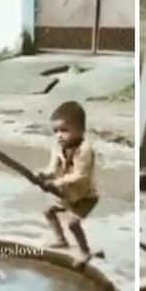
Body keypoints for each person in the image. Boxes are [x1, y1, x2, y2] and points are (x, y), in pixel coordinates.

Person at [37, 100, 102, 262]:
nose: (59, 135)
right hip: (67, 194)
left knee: (73, 224)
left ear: (81, 130)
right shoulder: (58, 147)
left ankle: (85, 252)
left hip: (86, 196)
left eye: (64, 130)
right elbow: (52, 169)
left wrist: (56, 183)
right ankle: (61, 240)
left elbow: (81, 175)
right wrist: (44, 175)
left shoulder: (85, 149)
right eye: (56, 131)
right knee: (48, 211)